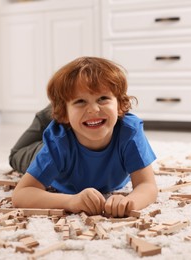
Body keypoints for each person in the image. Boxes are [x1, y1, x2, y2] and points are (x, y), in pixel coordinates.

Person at [11, 56, 158, 217]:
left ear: (121, 104)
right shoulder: (57, 143)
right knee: (16, 155)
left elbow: (147, 185)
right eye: (81, 101)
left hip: (75, 121)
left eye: (103, 98)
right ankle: (52, 112)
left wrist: (130, 202)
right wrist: (71, 201)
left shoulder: (129, 131)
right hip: (51, 139)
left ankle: (72, 104)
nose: (94, 109)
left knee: (82, 111)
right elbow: (21, 194)